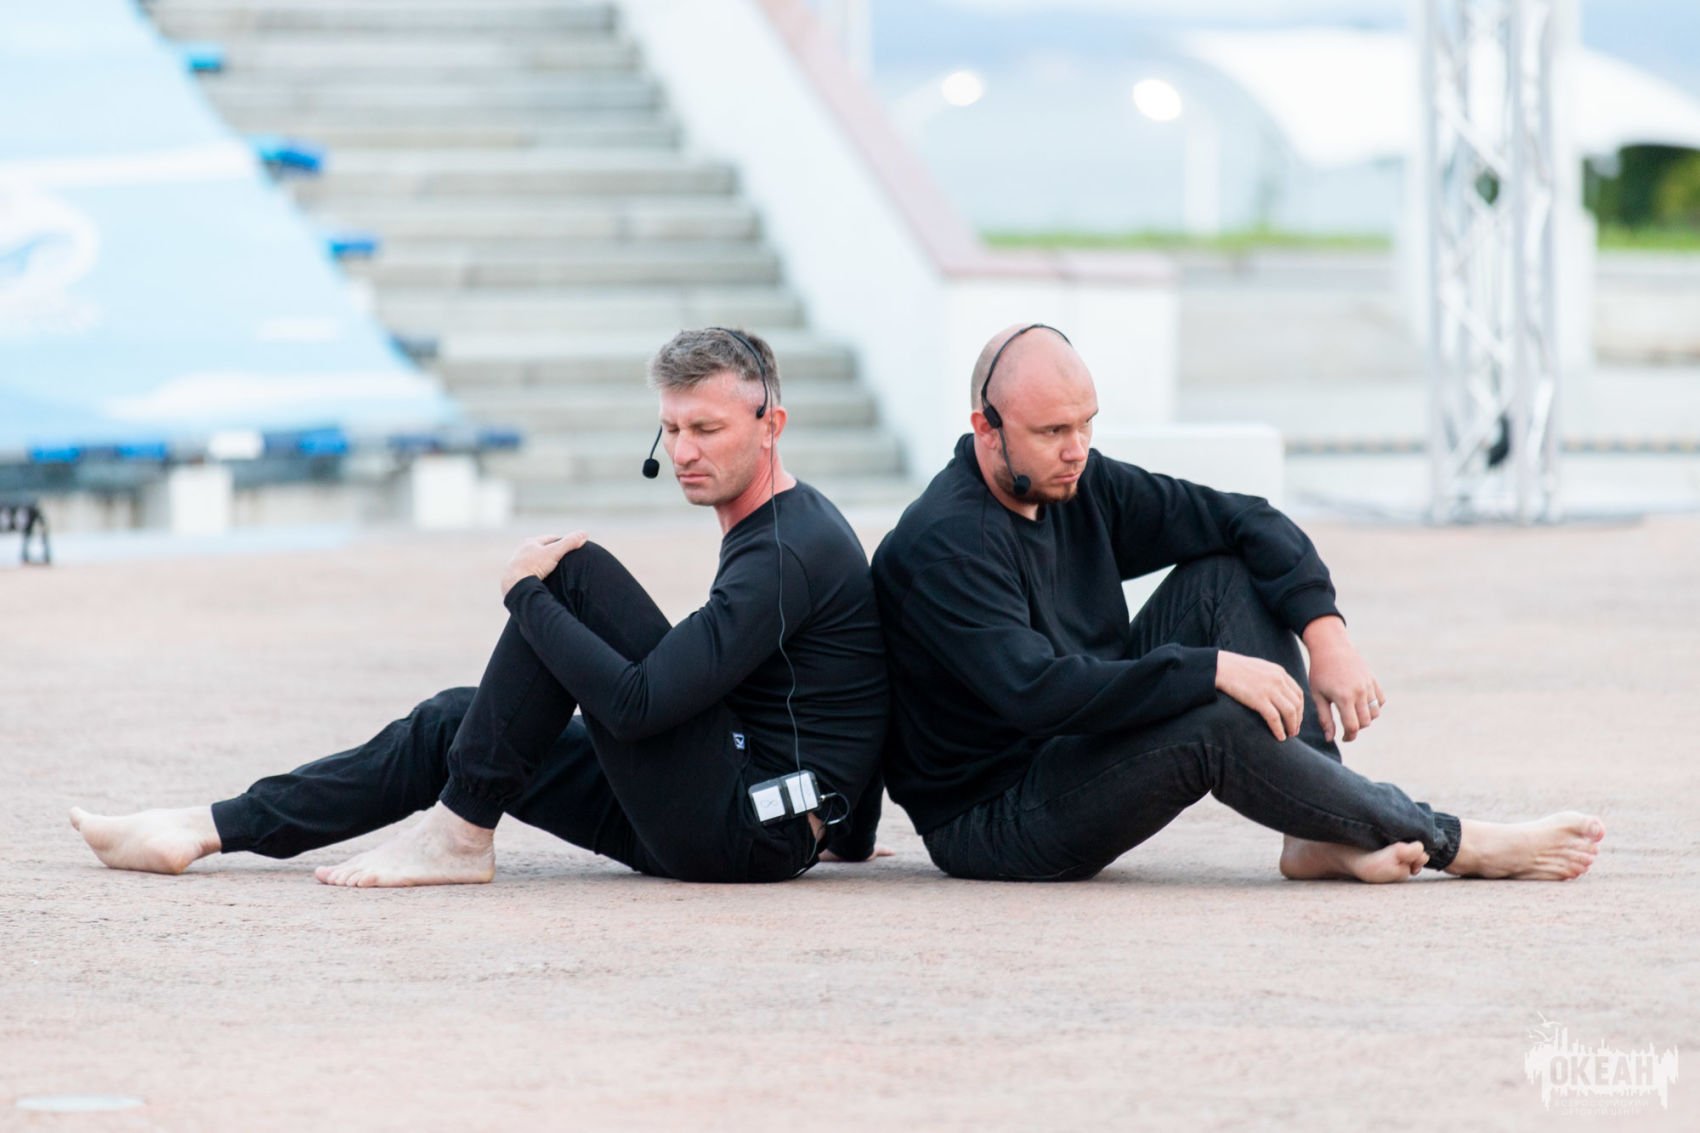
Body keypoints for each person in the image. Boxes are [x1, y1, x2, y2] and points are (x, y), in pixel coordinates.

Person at [71, 328, 889, 886]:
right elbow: (838, 695)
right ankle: (208, 826)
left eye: (705, 428)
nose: (682, 451)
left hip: (742, 830)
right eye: (670, 428)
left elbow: (638, 706)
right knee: (454, 726)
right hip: (724, 807)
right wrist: (847, 833)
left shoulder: (786, 550)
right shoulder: (780, 531)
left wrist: (525, 595)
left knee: (570, 575)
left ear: (771, 425)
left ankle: (461, 834)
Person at [870, 322, 1605, 884]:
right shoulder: (948, 543)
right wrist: (1210, 669)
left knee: (1227, 572)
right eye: (1053, 432)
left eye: (1086, 423)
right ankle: (1452, 840)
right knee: (1214, 721)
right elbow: (1035, 691)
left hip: (1075, 748)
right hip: (997, 817)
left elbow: (1245, 518)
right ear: (986, 429)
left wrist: (1326, 634)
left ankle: (1316, 833)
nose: (1077, 449)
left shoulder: (1077, 481)